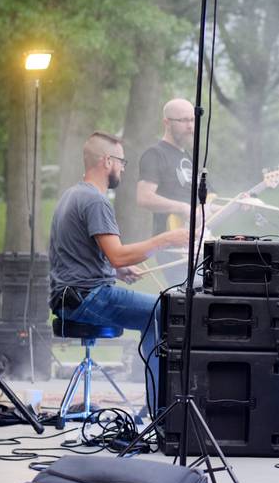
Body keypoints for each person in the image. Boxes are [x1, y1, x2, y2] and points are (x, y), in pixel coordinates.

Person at [49, 131, 189, 414]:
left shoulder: (72, 195)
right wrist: (166, 239)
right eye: (122, 161)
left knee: (159, 310)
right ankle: (159, 408)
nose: (124, 168)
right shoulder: (96, 201)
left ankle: (156, 403)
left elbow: (87, 253)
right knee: (165, 311)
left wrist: (119, 269)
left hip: (68, 296)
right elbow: (117, 252)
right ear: (107, 161)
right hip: (87, 297)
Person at [137, 98, 196, 286]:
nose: (190, 126)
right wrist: (181, 207)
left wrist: (243, 201)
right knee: (186, 301)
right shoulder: (155, 154)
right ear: (167, 123)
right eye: (184, 120)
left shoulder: (188, 156)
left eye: (193, 120)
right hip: (170, 243)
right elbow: (144, 197)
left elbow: (206, 203)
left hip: (193, 243)